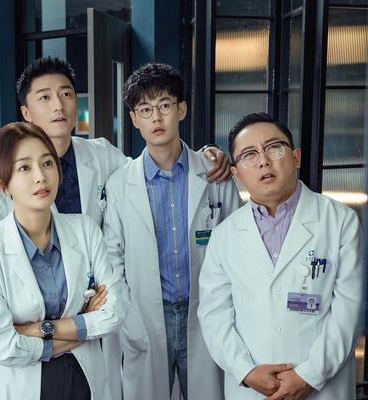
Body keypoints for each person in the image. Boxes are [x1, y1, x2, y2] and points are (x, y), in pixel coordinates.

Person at [0, 56, 231, 257]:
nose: (58, 105)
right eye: (45, 98)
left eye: (66, 94)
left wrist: (204, 156)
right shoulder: (2, 177)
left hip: (98, 298)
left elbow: (149, 168)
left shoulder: (101, 155)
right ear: (26, 113)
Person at [198, 113, 364, 400]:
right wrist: (246, 371)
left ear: (296, 157)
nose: (263, 161)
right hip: (252, 389)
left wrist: (308, 376)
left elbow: (349, 311)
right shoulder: (224, 236)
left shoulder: (340, 222)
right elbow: (214, 316)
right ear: (236, 173)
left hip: (322, 388)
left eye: (274, 148)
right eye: (249, 155)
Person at [102, 63, 241, 400]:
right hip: (147, 315)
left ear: (181, 109)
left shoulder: (214, 174)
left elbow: (239, 245)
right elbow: (113, 258)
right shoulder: (120, 184)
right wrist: (128, 316)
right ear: (134, 119)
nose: (156, 118)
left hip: (205, 311)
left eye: (165, 105)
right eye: (145, 110)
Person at [0, 122, 128, 400]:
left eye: (47, 163)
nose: (40, 176)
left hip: (83, 378)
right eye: (24, 168)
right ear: (2, 185)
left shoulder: (85, 229)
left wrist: (40, 330)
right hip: (19, 385)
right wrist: (83, 325)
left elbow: (116, 310)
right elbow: (4, 345)